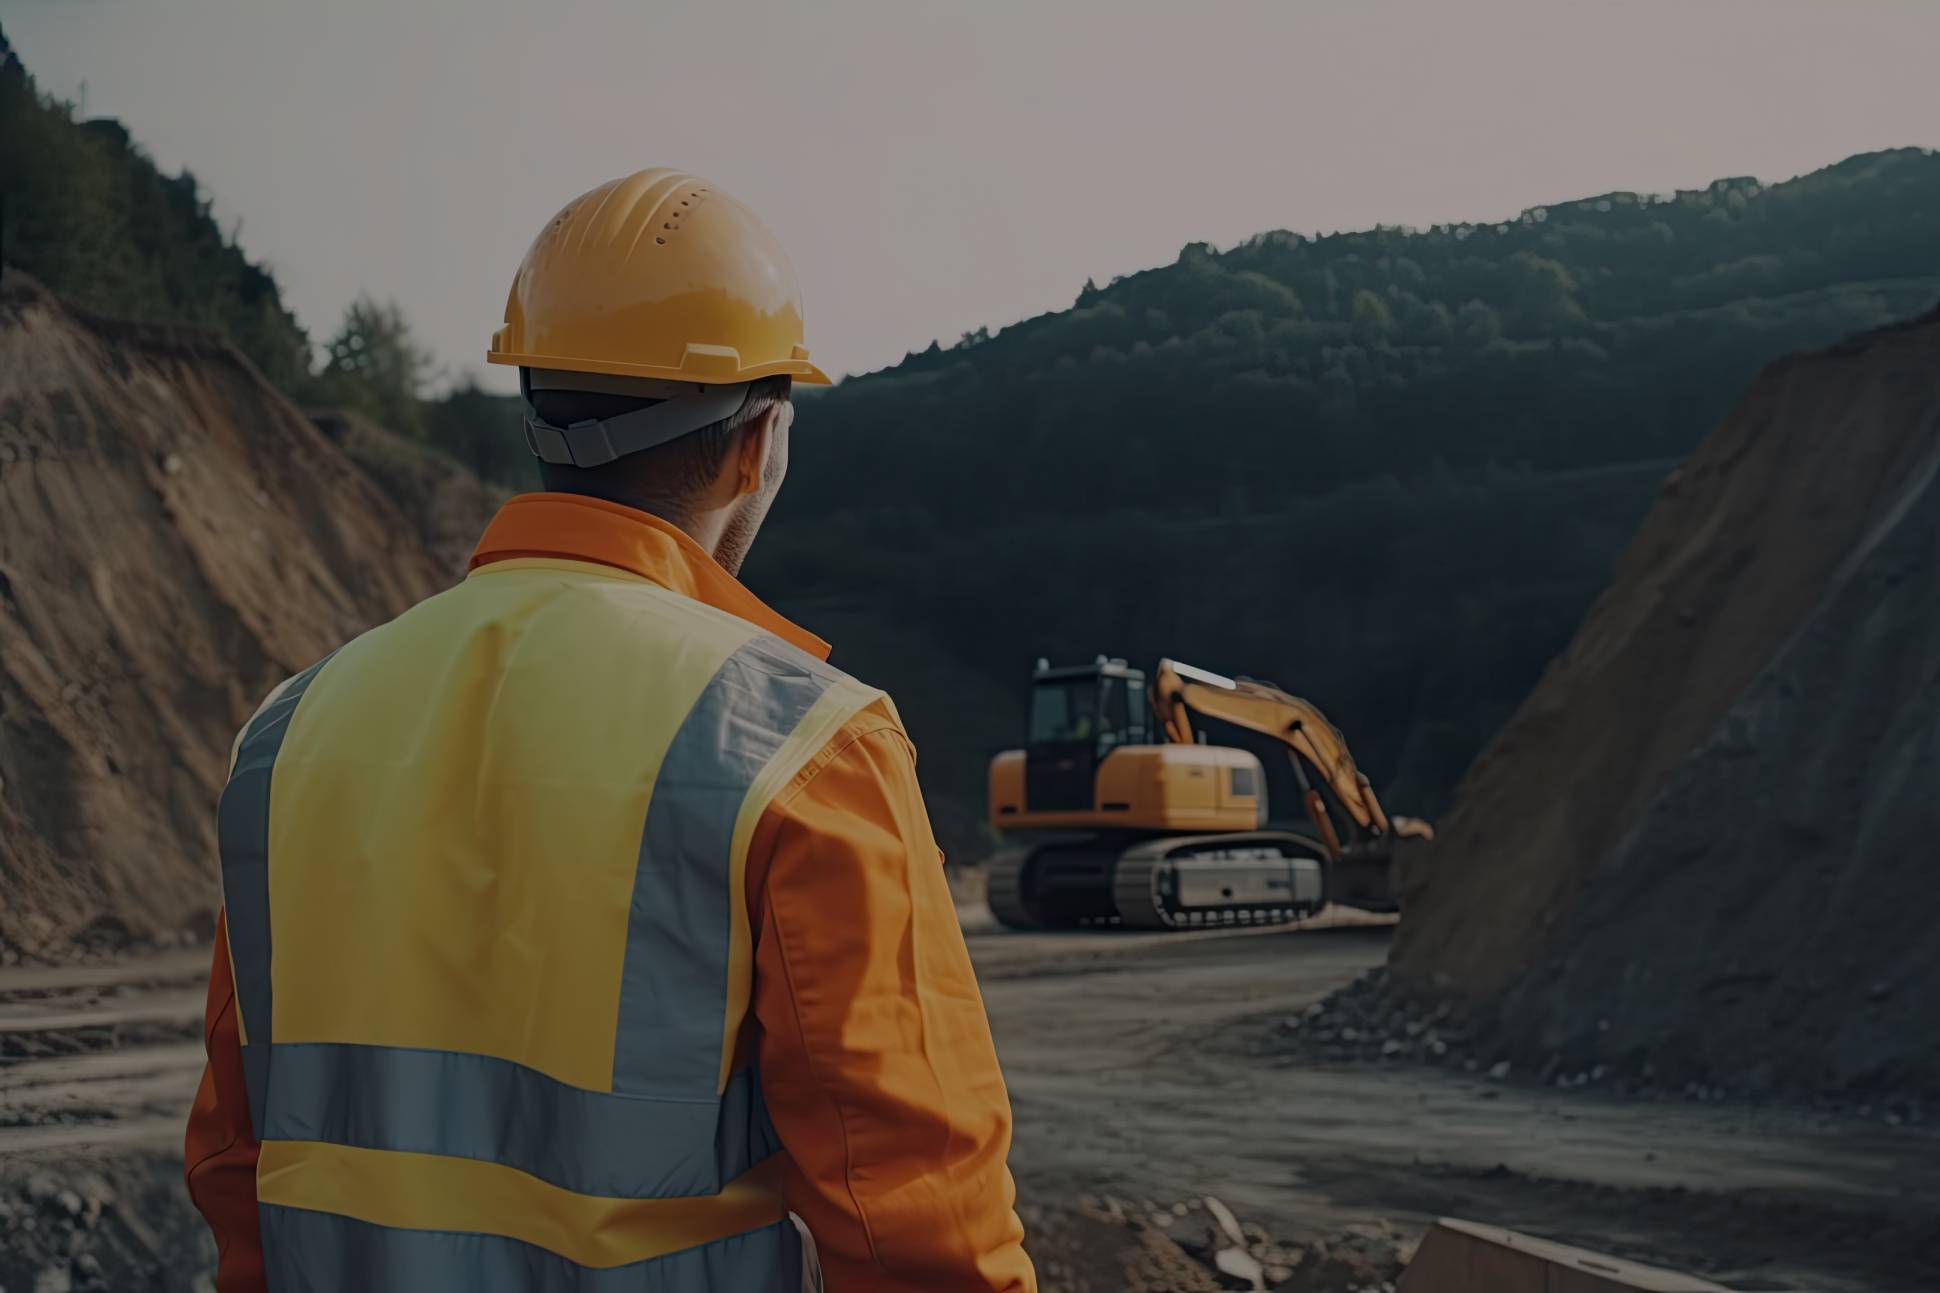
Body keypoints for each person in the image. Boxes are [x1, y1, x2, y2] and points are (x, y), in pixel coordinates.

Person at [184, 167, 1037, 1292]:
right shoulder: (808, 749)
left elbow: (236, 1162)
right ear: (757, 443)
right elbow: (916, 1229)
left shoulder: (288, 736)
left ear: (534, 410)